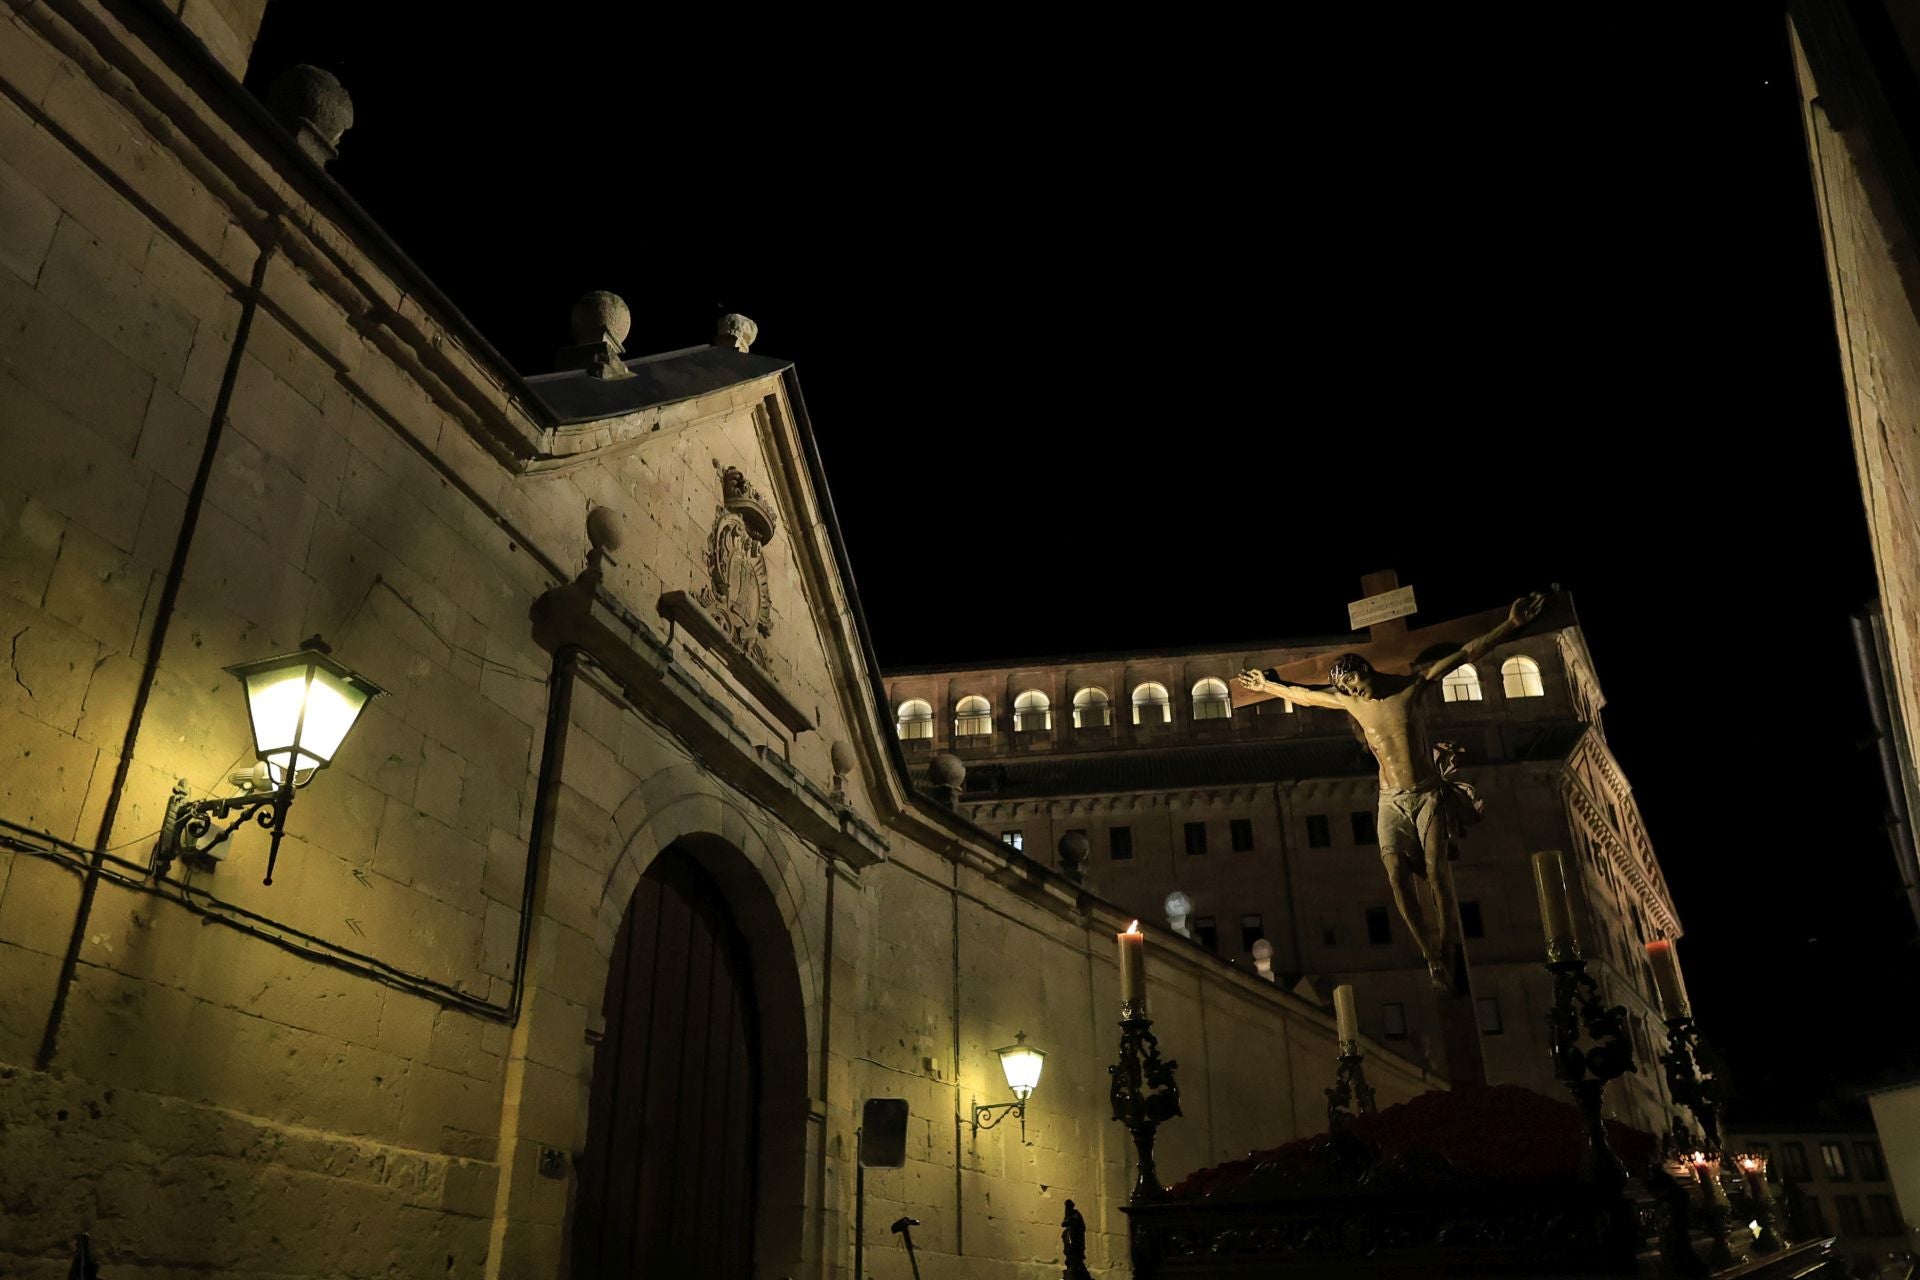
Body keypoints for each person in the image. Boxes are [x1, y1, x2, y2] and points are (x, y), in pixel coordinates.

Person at [1239, 592, 1545, 989]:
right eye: (1344, 685)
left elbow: (1465, 654)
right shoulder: (1350, 703)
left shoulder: (1409, 688)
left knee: (1436, 872)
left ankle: (1449, 945)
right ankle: (1429, 954)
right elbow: (1304, 695)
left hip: (1426, 794)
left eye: (1352, 679)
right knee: (1396, 873)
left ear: (1365, 670)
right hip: (1391, 801)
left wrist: (1511, 626)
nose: (1350, 689)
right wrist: (1267, 685)